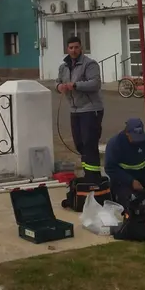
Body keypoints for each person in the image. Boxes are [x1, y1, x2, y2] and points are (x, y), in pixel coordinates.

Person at [56, 35, 104, 183]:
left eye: (76, 47)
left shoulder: (90, 64)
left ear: (81, 48)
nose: (74, 50)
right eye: (71, 47)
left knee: (90, 143)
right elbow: (57, 82)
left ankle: (94, 177)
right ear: (67, 49)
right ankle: (87, 173)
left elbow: (95, 84)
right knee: (80, 144)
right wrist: (59, 87)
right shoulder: (63, 67)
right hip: (74, 110)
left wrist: (76, 85)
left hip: (91, 109)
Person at [104, 117, 145, 210]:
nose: (137, 141)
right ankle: (132, 194)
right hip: (124, 178)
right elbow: (110, 168)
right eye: (134, 137)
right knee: (128, 199)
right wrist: (130, 181)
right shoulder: (115, 144)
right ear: (127, 133)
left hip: (142, 174)